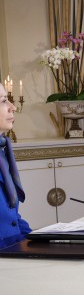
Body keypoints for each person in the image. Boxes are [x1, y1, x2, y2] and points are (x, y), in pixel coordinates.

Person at [0, 84, 31, 248]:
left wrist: (40, 240)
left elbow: (11, 217)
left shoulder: (2, 152)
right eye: (4, 101)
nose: (12, 107)